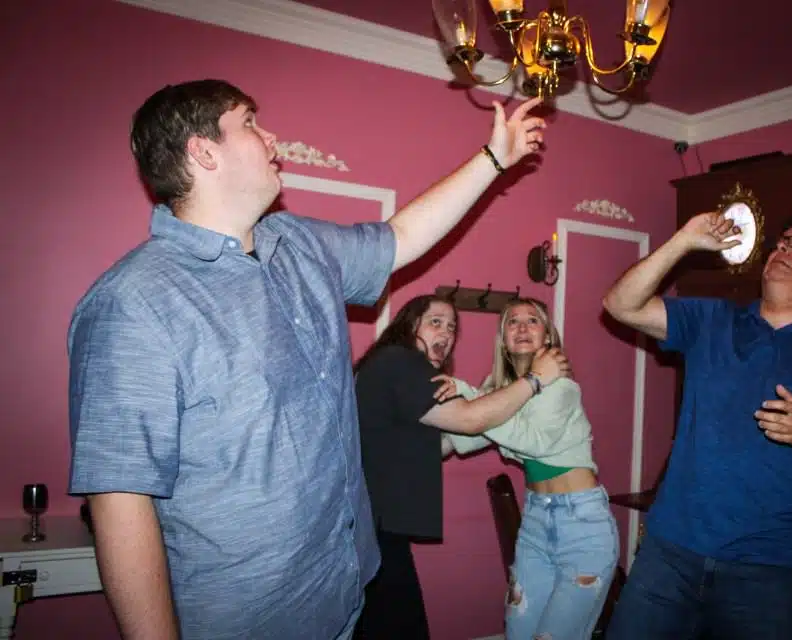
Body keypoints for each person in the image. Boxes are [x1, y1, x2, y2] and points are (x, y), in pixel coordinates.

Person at [66, 79, 547, 640]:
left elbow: (402, 234)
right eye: (249, 122)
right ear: (202, 151)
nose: (271, 137)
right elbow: (121, 504)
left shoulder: (298, 244)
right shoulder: (133, 303)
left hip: (346, 593)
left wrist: (495, 159)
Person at [601, 211, 792, 639]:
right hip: (670, 556)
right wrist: (682, 241)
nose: (782, 248)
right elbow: (619, 304)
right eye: (780, 242)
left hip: (768, 574)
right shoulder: (714, 321)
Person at [352, 294, 569, 639]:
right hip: (370, 526)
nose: (447, 333)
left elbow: (441, 444)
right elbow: (467, 419)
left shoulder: (391, 365)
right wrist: (534, 381)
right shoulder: (400, 361)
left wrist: (494, 400)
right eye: (435, 322)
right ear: (410, 326)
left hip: (367, 525)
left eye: (452, 326)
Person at [442, 297, 620, 640]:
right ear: (503, 340)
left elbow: (532, 440)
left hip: (582, 524)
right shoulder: (508, 394)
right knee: (518, 632)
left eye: (533, 321)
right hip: (536, 521)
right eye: (513, 321)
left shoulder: (561, 386)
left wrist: (469, 397)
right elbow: (464, 441)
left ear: (548, 337)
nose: (522, 327)